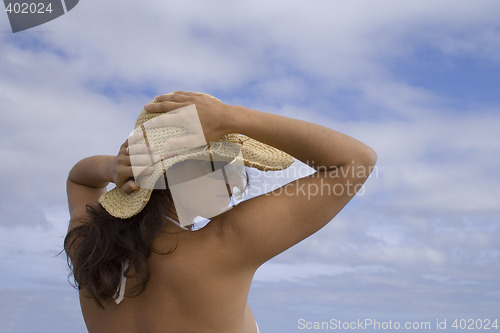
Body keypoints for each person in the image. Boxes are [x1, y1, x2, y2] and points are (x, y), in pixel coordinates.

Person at [64, 91, 377, 333]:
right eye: (221, 163)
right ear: (174, 171)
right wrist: (231, 118)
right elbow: (357, 160)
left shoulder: (89, 246)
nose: (238, 179)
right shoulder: (226, 243)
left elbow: (79, 179)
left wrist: (115, 167)